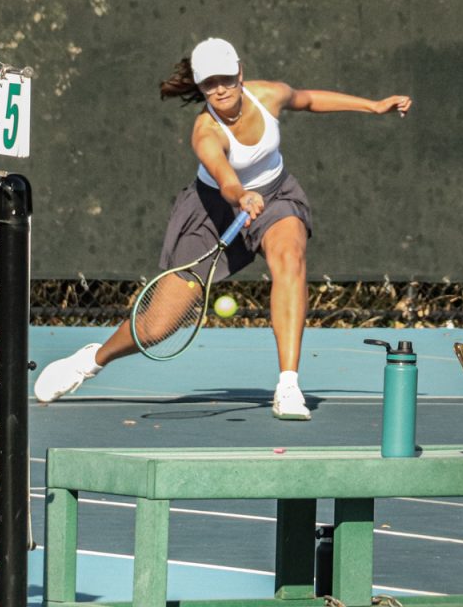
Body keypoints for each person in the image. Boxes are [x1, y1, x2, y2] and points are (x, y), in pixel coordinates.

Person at [34, 37, 412, 419]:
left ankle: (288, 385)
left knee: (290, 257)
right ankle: (90, 362)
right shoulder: (205, 131)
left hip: (277, 195)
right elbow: (225, 177)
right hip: (213, 209)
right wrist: (241, 196)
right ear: (199, 86)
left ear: (240, 73)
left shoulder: (269, 95)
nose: (219, 90)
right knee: (156, 327)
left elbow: (309, 99)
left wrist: (373, 106)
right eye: (209, 83)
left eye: (226, 79)